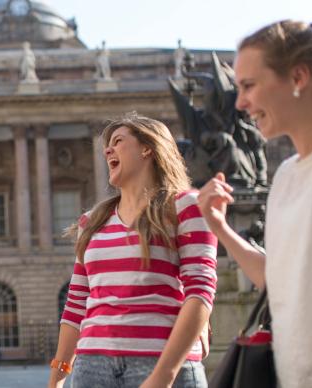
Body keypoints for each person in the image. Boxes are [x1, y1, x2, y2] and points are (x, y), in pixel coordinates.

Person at [197, 13, 312, 388]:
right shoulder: (287, 174)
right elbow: (277, 281)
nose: (241, 103)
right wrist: (221, 228)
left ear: (298, 77)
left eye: (248, 85)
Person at [48, 114, 218, 388]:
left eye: (118, 141)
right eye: (107, 145)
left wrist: (164, 375)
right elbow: (76, 304)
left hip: (160, 360)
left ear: (147, 148)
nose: (107, 150)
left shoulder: (186, 206)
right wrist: (56, 379)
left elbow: (200, 292)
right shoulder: (91, 222)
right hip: (93, 366)